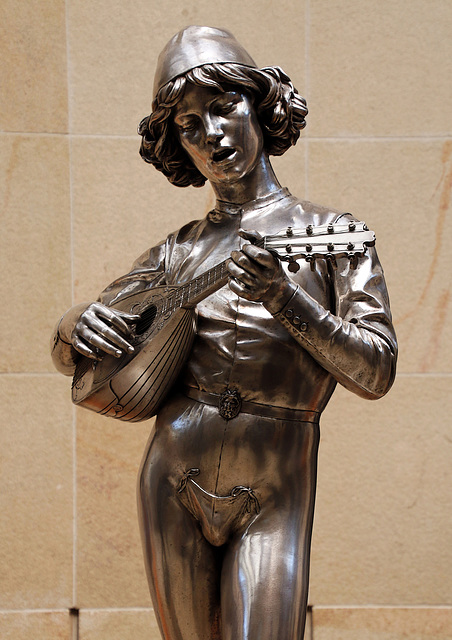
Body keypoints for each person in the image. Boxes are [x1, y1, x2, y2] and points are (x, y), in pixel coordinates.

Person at [51, 26, 397, 640]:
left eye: (222, 108)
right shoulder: (178, 251)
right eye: (188, 125)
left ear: (260, 108)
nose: (209, 134)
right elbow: (81, 351)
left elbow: (376, 371)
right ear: (177, 146)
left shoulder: (333, 233)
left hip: (276, 483)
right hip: (171, 474)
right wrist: (72, 325)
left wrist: (287, 300)